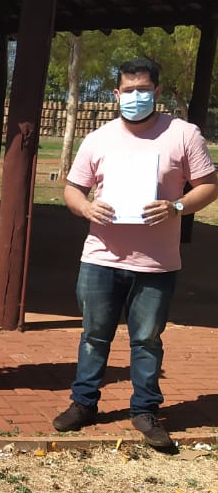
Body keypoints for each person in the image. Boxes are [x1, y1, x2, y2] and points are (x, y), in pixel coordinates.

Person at [53, 55, 217, 450]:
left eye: (143, 89)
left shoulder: (183, 134)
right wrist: (86, 207)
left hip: (156, 263)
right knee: (94, 336)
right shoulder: (98, 139)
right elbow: (73, 189)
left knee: (147, 340)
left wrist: (177, 206)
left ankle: (145, 410)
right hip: (100, 258)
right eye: (128, 90)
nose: (136, 96)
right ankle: (83, 404)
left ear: (157, 91)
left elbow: (209, 185)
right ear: (116, 94)